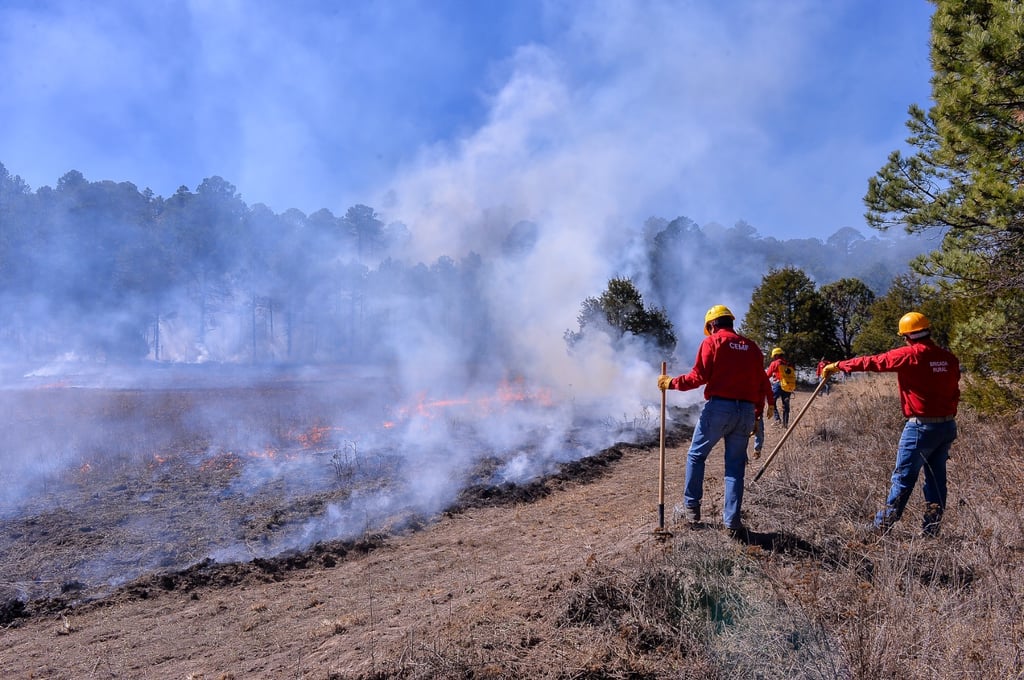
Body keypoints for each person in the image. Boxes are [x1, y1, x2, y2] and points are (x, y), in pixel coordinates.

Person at [821, 311, 960, 536]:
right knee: (936, 480)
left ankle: (880, 529)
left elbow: (874, 362)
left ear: (906, 336)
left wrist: (839, 365)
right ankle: (931, 530)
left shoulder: (911, 355)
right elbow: (955, 391)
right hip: (946, 427)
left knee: (903, 478)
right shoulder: (948, 358)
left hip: (920, 428)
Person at [658, 305, 774, 536]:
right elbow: (761, 382)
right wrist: (757, 414)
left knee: (696, 455)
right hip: (746, 412)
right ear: (730, 322)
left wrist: (671, 383)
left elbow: (698, 377)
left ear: (712, 325)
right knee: (735, 468)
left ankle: (691, 508)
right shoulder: (752, 347)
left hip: (720, 408)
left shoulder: (712, 342)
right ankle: (732, 522)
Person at [766, 347, 796, 427]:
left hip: (778, 384)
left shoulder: (775, 363)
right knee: (786, 404)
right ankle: (785, 424)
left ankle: (777, 419)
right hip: (788, 385)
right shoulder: (788, 363)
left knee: (771, 401)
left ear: (776, 355)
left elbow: (767, 375)